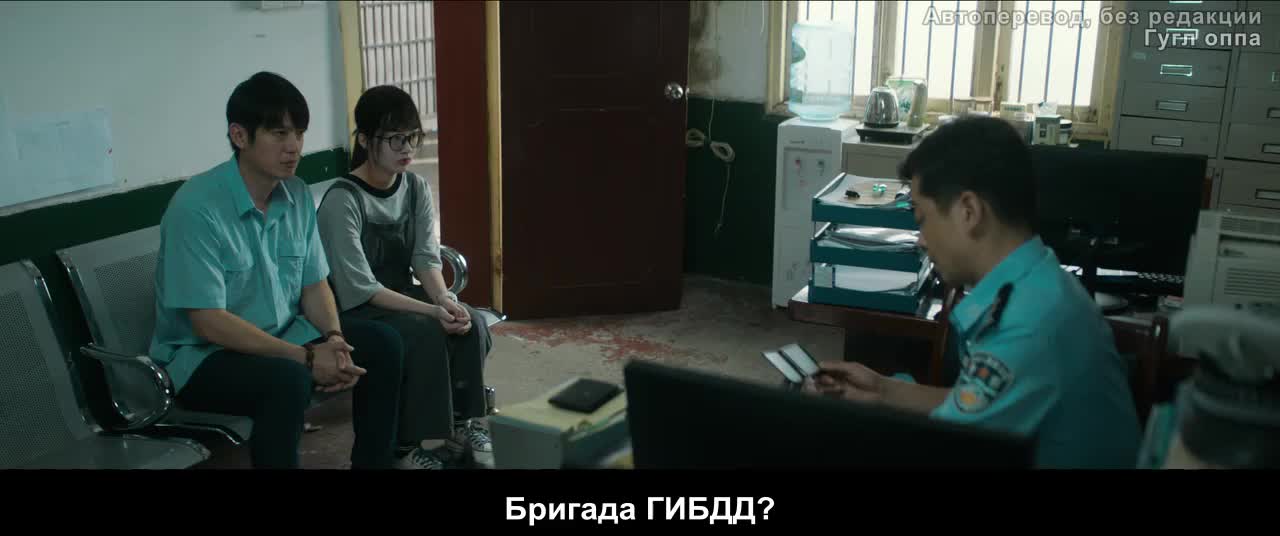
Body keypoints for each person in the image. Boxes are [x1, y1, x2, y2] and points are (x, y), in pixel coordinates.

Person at [808, 116, 1141, 469]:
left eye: (922, 219)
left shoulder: (1027, 326)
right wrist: (881, 390)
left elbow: (944, 449)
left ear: (968, 212)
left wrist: (830, 426)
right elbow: (970, 402)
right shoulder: (1038, 286)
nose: (921, 240)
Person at [149, 71, 413, 469]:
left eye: (299, 134)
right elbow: (208, 322)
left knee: (383, 343)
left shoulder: (297, 194)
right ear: (240, 136)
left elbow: (314, 285)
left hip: (284, 337)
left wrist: (334, 339)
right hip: (204, 358)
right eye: (279, 134)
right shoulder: (196, 208)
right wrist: (305, 358)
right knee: (288, 380)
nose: (294, 147)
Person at [316, 85, 493, 470]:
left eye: (412, 136)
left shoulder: (414, 187)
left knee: (471, 322)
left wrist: (445, 300)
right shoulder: (343, 199)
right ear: (365, 140)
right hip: (357, 308)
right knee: (425, 331)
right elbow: (360, 287)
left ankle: (462, 426)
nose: (407, 148)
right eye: (394, 138)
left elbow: (425, 258)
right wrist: (431, 312)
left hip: (400, 295)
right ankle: (408, 447)